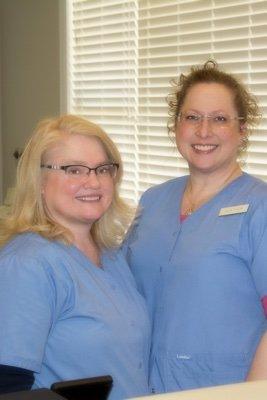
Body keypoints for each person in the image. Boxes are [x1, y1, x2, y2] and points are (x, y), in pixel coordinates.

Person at [124, 60, 267, 393]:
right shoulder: (153, 201)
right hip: (143, 385)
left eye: (219, 118)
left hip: (225, 388)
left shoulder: (260, 207)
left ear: (242, 129)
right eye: (192, 117)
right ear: (177, 125)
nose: (204, 131)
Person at [0, 114, 151, 399]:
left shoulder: (112, 255)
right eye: (74, 170)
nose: (93, 182)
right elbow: (7, 387)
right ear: (39, 180)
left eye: (103, 169)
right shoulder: (26, 265)